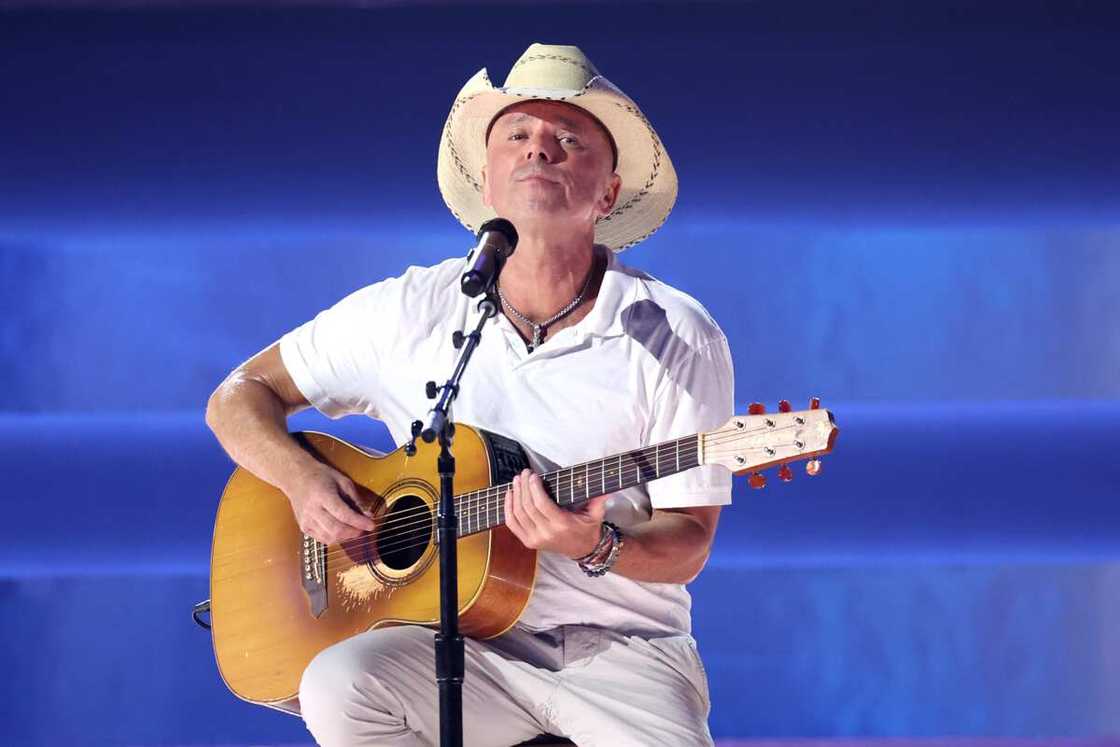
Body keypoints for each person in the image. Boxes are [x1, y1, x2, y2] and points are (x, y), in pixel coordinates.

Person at [205, 43, 734, 747]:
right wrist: (303, 481)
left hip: (621, 652)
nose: (538, 150)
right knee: (338, 681)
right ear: (487, 180)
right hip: (458, 646)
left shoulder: (676, 333)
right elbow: (237, 397)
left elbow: (689, 540)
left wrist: (595, 544)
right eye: (517, 135)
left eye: (567, 139)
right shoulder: (411, 309)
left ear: (607, 192)